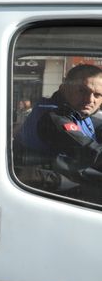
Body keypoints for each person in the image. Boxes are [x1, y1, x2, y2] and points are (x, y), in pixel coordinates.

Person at [16, 64, 102, 197]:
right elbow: (91, 152)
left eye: (97, 95)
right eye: (82, 91)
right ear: (64, 88)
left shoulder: (77, 112)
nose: (90, 99)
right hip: (48, 194)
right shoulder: (52, 118)